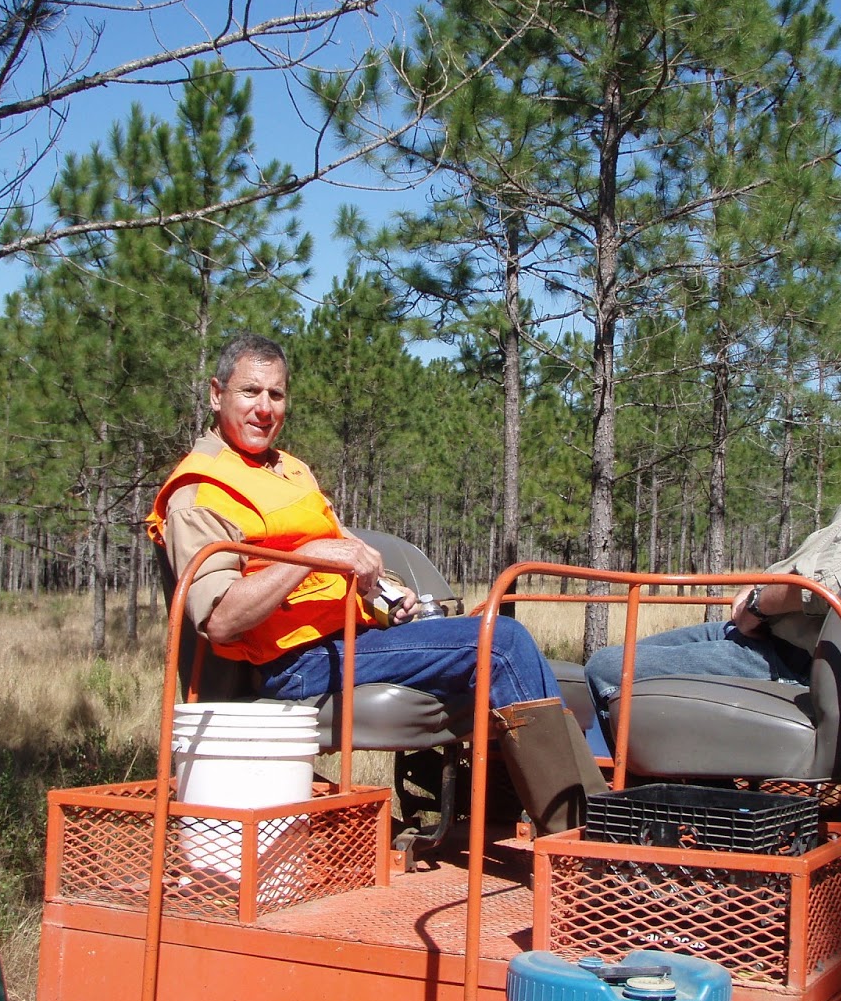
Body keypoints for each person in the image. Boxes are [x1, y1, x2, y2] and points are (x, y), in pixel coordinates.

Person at [146, 333, 603, 832]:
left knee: (491, 640)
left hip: (348, 639)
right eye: (249, 392)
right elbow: (220, 619)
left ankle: (515, 815)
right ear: (217, 394)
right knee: (502, 643)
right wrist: (311, 556)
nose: (264, 408)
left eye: (276, 395)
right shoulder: (199, 490)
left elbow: (346, 556)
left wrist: (387, 594)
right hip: (291, 662)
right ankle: (584, 836)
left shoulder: (287, 470)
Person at [583, 352, 841, 746]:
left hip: (800, 662)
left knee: (608, 668)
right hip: (779, 641)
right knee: (620, 656)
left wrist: (758, 603)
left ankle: (635, 804)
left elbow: (829, 584)